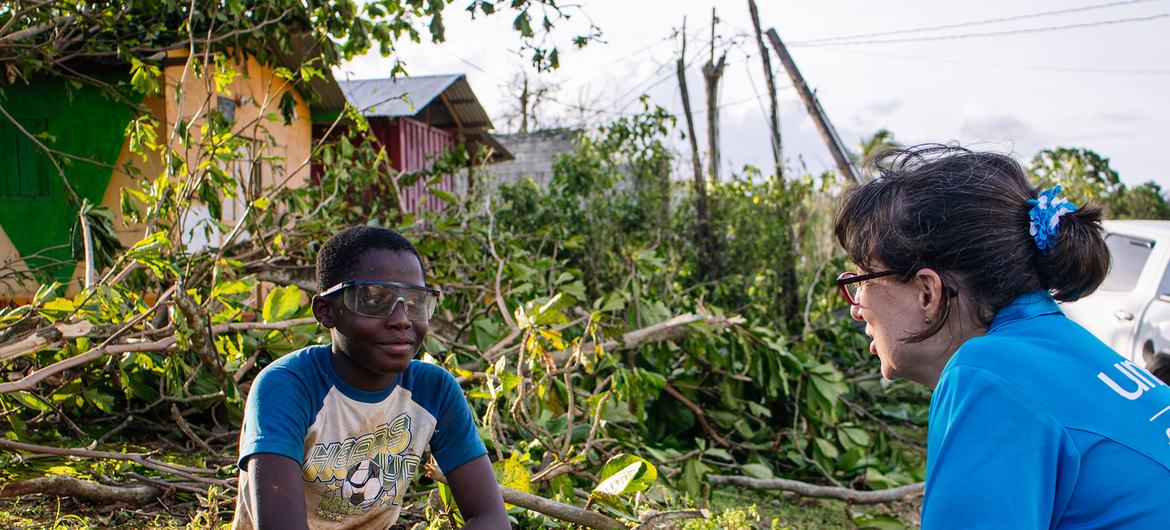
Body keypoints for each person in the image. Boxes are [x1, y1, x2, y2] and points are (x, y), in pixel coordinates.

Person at [833, 145, 1170, 528]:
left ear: (928, 292)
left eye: (862, 279)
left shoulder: (988, 373)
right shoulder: (1063, 342)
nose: (856, 306)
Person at [232, 226, 508, 529]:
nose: (402, 319)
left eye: (415, 302)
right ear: (326, 311)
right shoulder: (288, 387)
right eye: (374, 300)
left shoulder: (434, 391)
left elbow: (490, 517)